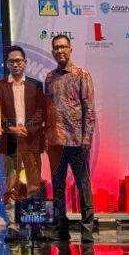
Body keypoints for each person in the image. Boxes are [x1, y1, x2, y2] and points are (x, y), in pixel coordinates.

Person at [45, 34, 95, 243]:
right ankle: (61, 228)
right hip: (56, 143)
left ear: (70, 49)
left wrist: (87, 139)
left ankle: (87, 229)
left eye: (63, 47)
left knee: (83, 186)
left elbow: (89, 110)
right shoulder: (49, 78)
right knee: (57, 188)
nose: (60, 51)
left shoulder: (81, 75)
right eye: (56, 48)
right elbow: (47, 110)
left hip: (77, 142)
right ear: (52, 52)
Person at [0, 46, 47, 243]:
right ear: (7, 64)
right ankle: (13, 226)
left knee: (34, 185)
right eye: (12, 61)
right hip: (11, 142)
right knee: (11, 185)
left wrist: (28, 129)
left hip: (31, 142)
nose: (15, 64)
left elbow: (41, 111)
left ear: (25, 63)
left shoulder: (36, 85)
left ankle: (36, 226)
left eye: (19, 60)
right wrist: (11, 128)